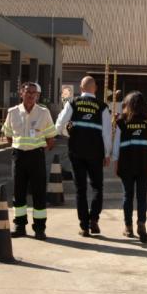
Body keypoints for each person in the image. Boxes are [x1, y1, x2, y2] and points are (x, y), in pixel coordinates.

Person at [55, 76, 112, 237]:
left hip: (76, 151)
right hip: (96, 152)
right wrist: (107, 154)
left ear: (80, 88)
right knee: (97, 187)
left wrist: (69, 133)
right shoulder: (102, 107)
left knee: (80, 189)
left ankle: (84, 226)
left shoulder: (72, 103)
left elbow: (59, 126)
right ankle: (94, 219)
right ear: (96, 89)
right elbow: (107, 133)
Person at [2, 82, 57, 240]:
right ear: (21, 93)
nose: (31, 95)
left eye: (34, 93)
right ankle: (20, 226)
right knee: (18, 193)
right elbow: (8, 134)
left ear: (37, 96)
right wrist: (19, 146)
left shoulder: (43, 112)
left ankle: (39, 228)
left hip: (36, 157)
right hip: (19, 156)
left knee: (39, 193)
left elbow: (51, 138)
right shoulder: (12, 112)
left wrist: (39, 149)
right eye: (28, 92)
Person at [112, 91, 147, 242]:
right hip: (145, 164)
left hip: (127, 164)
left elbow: (116, 145)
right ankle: (142, 225)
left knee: (128, 196)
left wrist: (115, 162)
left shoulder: (122, 121)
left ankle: (128, 227)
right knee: (142, 196)